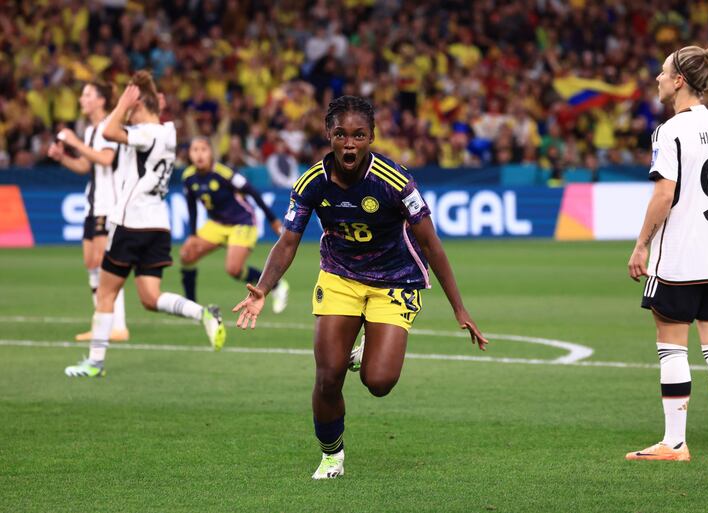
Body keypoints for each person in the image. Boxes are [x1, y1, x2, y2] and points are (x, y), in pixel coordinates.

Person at [232, 96, 487, 479]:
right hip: (340, 277)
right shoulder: (312, 182)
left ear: (371, 137)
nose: (349, 143)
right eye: (341, 134)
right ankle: (332, 456)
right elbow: (288, 240)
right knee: (328, 375)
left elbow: (432, 244)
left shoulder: (396, 181)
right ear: (328, 135)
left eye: (358, 135)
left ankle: (368, 346)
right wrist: (263, 288)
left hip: (395, 281)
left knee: (379, 382)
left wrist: (459, 308)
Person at [626, 45, 708, 461]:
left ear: (679, 80)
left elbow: (664, 195)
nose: (658, 79)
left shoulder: (670, 131)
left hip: (679, 257)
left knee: (672, 345)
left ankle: (675, 443)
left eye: (663, 72)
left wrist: (641, 243)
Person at [64, 71, 226, 378]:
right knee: (151, 298)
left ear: (141, 106)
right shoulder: (167, 131)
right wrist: (141, 101)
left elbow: (110, 132)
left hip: (131, 223)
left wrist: (124, 103)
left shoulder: (146, 133)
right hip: (158, 225)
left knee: (105, 294)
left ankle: (95, 363)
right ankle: (203, 313)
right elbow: (132, 126)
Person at [47, 81, 129, 342]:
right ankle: (101, 322)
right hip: (93, 204)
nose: (82, 99)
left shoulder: (109, 127)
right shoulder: (93, 130)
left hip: (109, 203)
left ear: (101, 100)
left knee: (107, 264)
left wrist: (73, 141)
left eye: (87, 94)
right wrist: (64, 158)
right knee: (91, 263)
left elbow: (105, 159)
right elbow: (86, 166)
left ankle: (118, 325)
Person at [180, 137, 290, 312]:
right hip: (217, 224)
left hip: (242, 222)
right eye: (195, 150)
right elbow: (191, 206)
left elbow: (252, 192)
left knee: (233, 269)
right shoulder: (188, 177)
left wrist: (272, 219)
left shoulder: (224, 173)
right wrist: (192, 235)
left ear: (211, 153)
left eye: (203, 149)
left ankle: (276, 286)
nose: (199, 154)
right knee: (187, 254)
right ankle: (190, 306)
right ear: (190, 154)